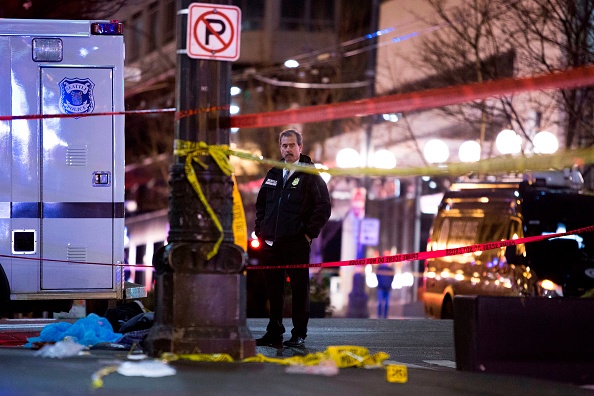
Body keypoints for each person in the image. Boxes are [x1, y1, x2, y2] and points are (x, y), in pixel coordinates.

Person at [254, 129, 331, 348]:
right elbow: (261, 205)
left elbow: (323, 207)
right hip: (271, 244)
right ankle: (274, 332)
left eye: (291, 145)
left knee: (299, 291)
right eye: (284, 146)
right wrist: (261, 230)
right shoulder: (274, 173)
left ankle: (299, 334)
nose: (287, 149)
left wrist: (307, 234)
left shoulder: (310, 175)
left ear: (300, 147)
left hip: (296, 243)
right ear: (280, 147)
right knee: (274, 291)